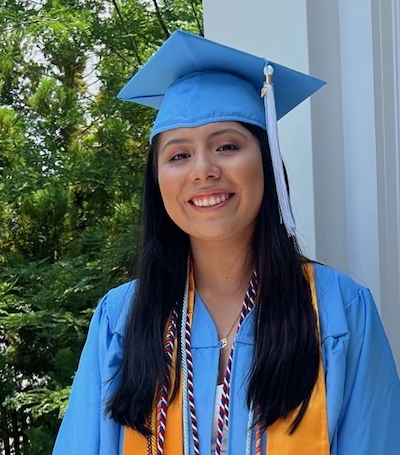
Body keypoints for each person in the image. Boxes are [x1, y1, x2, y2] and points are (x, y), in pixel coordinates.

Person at [52, 31, 400, 455]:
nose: (203, 170)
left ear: (268, 162)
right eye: (179, 155)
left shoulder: (340, 311)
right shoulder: (121, 320)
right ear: (158, 181)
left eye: (227, 145)